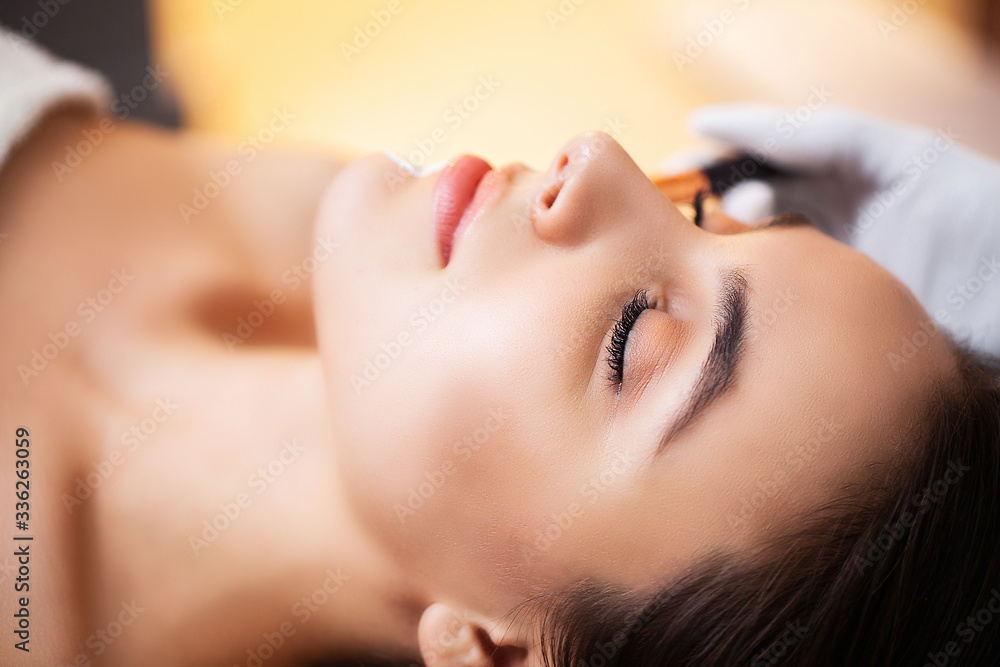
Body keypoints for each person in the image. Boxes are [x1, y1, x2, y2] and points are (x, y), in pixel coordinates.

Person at [1, 28, 998, 667]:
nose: (596, 160)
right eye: (708, 219)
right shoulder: (343, 247)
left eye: (635, 339)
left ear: (498, 649)